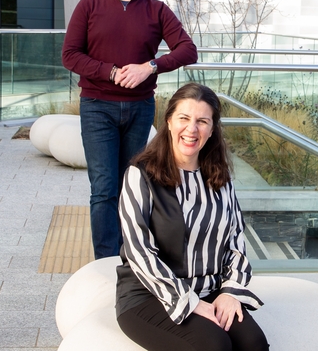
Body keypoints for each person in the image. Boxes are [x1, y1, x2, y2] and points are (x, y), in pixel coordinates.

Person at [61, 0, 198, 259]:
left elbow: (187, 50)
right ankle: (106, 261)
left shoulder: (157, 10)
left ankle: (130, 257)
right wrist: (110, 72)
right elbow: (70, 55)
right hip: (97, 107)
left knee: (132, 186)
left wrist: (149, 67)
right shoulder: (89, 5)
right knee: (104, 188)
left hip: (139, 108)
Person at [115, 83, 269, 351]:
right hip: (149, 293)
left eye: (202, 121)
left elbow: (236, 240)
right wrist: (190, 302)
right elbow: (139, 252)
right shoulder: (140, 175)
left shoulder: (219, 177)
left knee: (253, 343)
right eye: (184, 118)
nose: (191, 129)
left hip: (210, 289)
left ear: (212, 129)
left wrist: (230, 291)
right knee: (214, 345)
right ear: (169, 121)